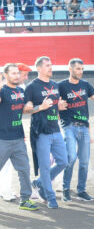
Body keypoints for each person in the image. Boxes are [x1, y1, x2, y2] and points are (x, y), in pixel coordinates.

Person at [0, 64, 39, 211]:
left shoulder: (20, 90)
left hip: (18, 138)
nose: (16, 76)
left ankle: (25, 200)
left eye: (18, 73)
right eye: (13, 73)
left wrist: (40, 107)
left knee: (24, 169)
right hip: (2, 140)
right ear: (6, 75)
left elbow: (24, 110)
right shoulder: (2, 91)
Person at [24, 56, 68, 209]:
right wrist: (40, 107)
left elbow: (55, 106)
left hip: (55, 130)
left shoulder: (55, 85)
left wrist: (59, 107)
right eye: (47, 65)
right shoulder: (32, 87)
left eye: (51, 65)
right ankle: (50, 197)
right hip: (41, 132)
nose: (51, 67)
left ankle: (39, 182)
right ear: (39, 68)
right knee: (44, 166)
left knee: (63, 161)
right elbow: (26, 109)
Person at [59, 58, 94, 202]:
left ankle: (81, 190)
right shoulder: (61, 85)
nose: (80, 71)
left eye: (82, 69)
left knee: (85, 162)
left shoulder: (85, 85)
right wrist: (57, 105)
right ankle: (66, 189)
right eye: (78, 69)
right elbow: (53, 103)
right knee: (71, 158)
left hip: (84, 127)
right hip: (69, 127)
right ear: (70, 69)